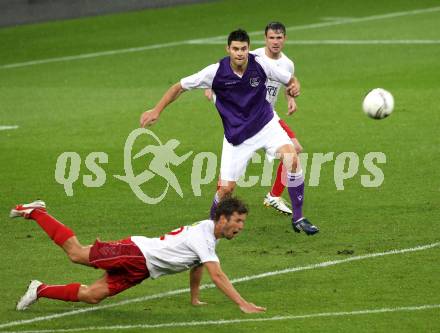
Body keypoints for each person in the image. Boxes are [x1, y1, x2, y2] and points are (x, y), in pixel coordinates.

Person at [140, 29, 318, 235]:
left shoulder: (261, 63)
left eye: (243, 49)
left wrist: (295, 88)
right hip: (237, 138)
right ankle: (209, 225)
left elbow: (291, 80)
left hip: (266, 125)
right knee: (226, 190)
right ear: (228, 49)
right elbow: (179, 87)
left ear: (249, 49)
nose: (240, 53)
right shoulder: (215, 72)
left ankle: (298, 218)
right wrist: (156, 110)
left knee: (292, 158)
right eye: (235, 49)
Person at [9, 198, 265, 313]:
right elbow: (217, 275)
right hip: (135, 254)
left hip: (142, 270)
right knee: (76, 253)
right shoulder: (203, 236)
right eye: (238, 220)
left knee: (92, 296)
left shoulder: (210, 238)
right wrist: (242, 303)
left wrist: (195, 298)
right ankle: (35, 211)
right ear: (222, 219)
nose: (241, 226)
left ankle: (40, 289)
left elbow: (197, 265)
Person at [205, 22, 303, 216]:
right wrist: (211, 86)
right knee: (230, 179)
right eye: (272, 38)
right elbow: (225, 66)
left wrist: (290, 99)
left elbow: (287, 82)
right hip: (247, 116)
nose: (275, 42)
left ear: (285, 39)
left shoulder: (288, 63)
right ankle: (226, 190)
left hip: (267, 118)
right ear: (265, 39)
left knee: (295, 150)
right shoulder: (254, 56)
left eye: (279, 37)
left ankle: (273, 196)